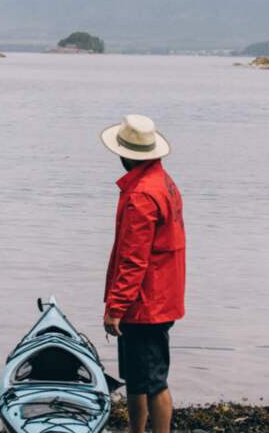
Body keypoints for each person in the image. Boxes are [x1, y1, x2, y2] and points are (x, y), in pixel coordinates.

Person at [99, 114, 186, 433]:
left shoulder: (140, 195)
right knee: (137, 377)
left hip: (146, 303)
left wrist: (116, 308)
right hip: (160, 296)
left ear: (126, 155)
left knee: (154, 381)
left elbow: (134, 259)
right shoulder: (163, 182)